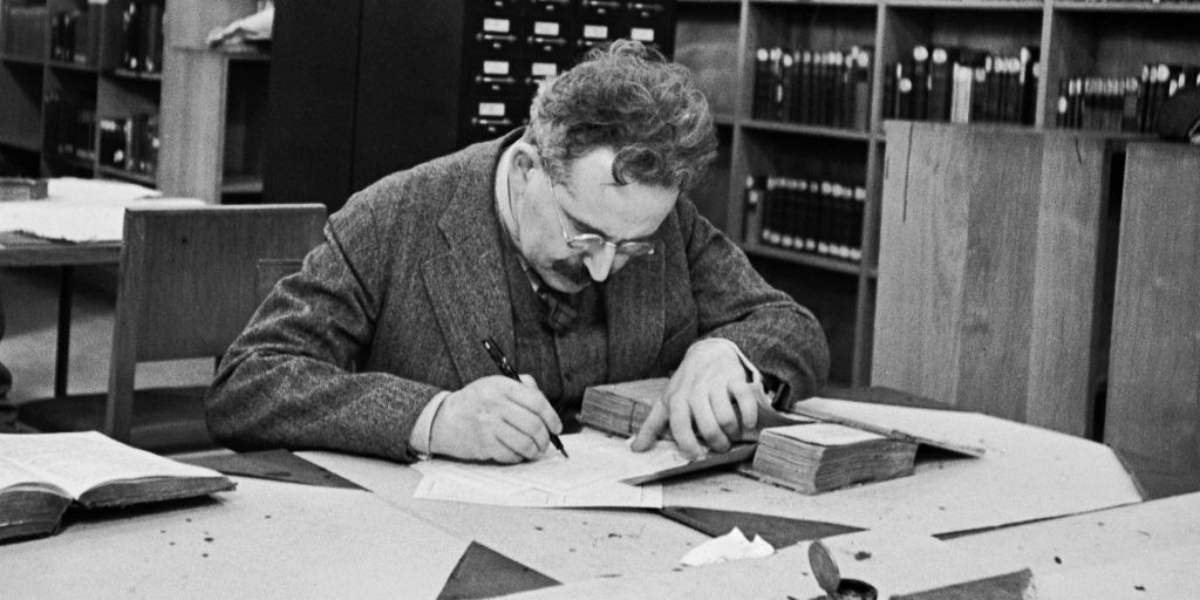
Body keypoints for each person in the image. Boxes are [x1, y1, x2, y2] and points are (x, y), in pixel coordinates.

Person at [205, 40, 829, 464]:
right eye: (584, 234)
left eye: (629, 247)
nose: (602, 267)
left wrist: (728, 354)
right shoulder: (393, 217)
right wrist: (433, 417)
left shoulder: (661, 223)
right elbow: (249, 383)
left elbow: (791, 327)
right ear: (529, 168)